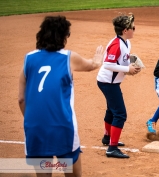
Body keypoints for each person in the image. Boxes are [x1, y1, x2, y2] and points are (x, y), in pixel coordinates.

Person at [18, 15, 104, 177]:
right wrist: (97, 59)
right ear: (64, 36)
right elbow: (91, 65)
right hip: (62, 128)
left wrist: (32, 121)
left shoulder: (28, 59)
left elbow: (21, 99)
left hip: (35, 128)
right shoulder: (68, 57)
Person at [97, 13, 141, 158]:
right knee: (120, 114)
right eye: (132, 27)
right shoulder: (116, 44)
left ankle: (107, 138)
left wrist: (131, 66)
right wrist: (127, 69)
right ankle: (112, 148)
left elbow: (121, 61)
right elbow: (108, 64)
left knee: (112, 110)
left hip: (112, 82)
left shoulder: (126, 43)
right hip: (107, 83)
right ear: (124, 30)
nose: (134, 29)